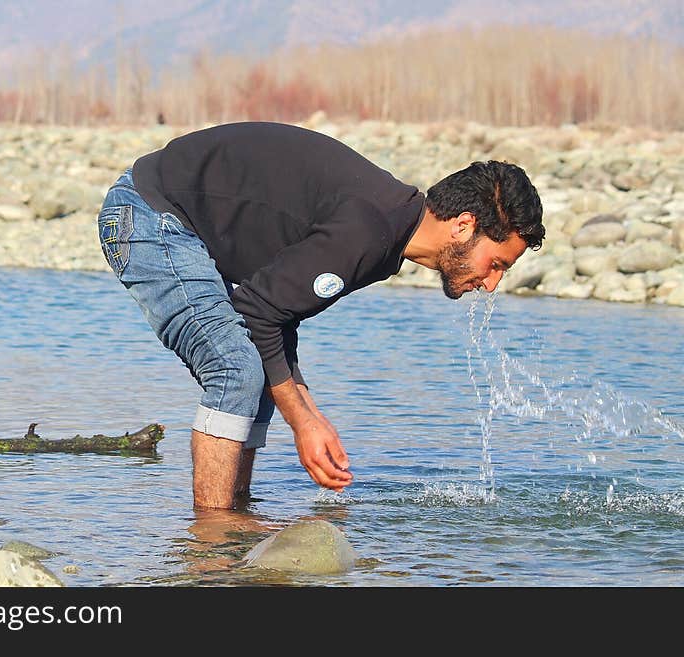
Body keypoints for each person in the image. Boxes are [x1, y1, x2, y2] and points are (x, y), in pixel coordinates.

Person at [96, 121, 544, 510]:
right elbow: (256, 313)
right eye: (497, 263)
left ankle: (236, 518)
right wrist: (303, 421)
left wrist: (309, 410)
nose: (492, 284)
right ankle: (213, 544)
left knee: (261, 376)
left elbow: (274, 312)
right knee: (236, 370)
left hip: (171, 218)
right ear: (464, 226)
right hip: (149, 215)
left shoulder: (388, 231)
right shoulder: (369, 232)